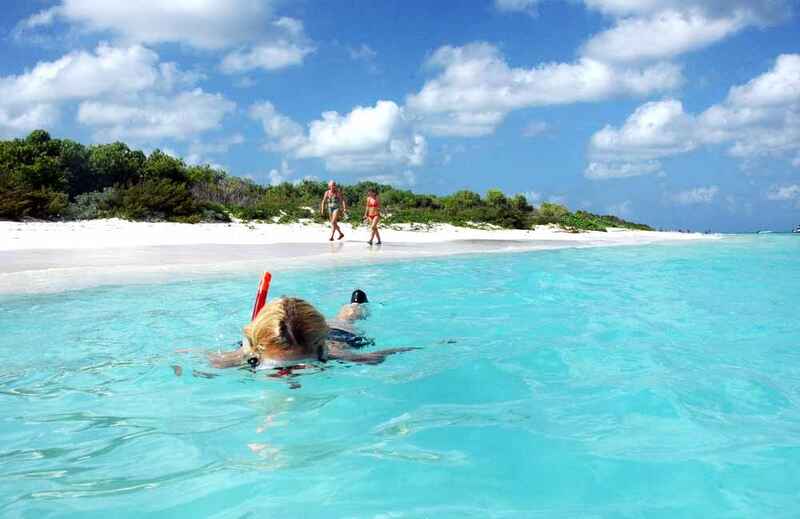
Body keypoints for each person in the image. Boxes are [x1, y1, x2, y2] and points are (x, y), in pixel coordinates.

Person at [208, 295, 412, 372]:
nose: (293, 383)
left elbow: (374, 358)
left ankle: (355, 306)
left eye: (303, 365)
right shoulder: (248, 353)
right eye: (276, 367)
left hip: (335, 336)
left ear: (321, 353)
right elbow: (202, 360)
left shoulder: (331, 352)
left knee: (345, 320)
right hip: (308, 337)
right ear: (257, 354)